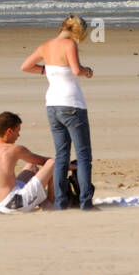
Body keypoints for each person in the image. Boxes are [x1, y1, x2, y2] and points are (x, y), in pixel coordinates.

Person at [21, 15, 96, 211]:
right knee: (83, 155)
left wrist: (46, 70)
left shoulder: (46, 45)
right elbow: (77, 70)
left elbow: (26, 66)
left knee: (61, 155)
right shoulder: (69, 44)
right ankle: (85, 202)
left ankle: (61, 202)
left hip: (52, 105)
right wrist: (88, 71)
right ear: (77, 31)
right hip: (72, 104)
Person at [0, 111, 56, 213]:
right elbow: (45, 161)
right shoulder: (14, 149)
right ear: (9, 131)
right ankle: (51, 202)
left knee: (31, 166)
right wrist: (69, 166)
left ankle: (40, 199)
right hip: (15, 204)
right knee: (53, 163)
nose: (18, 135)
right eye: (17, 131)